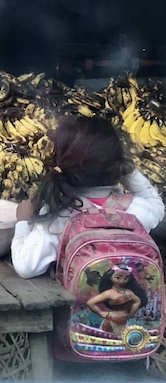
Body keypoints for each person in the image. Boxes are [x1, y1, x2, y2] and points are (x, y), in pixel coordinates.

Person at [11, 114, 165, 279]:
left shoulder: (58, 217)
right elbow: (156, 203)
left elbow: (26, 266)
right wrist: (128, 170)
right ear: (118, 166)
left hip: (78, 304)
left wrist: (23, 223)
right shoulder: (137, 211)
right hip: (136, 302)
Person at [87, 265, 145, 334]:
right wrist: (101, 313)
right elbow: (90, 303)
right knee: (109, 338)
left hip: (123, 321)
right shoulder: (109, 293)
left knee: (123, 338)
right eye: (118, 277)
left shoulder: (128, 292)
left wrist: (131, 314)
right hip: (111, 321)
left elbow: (137, 301)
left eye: (125, 278)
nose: (122, 281)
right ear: (110, 277)